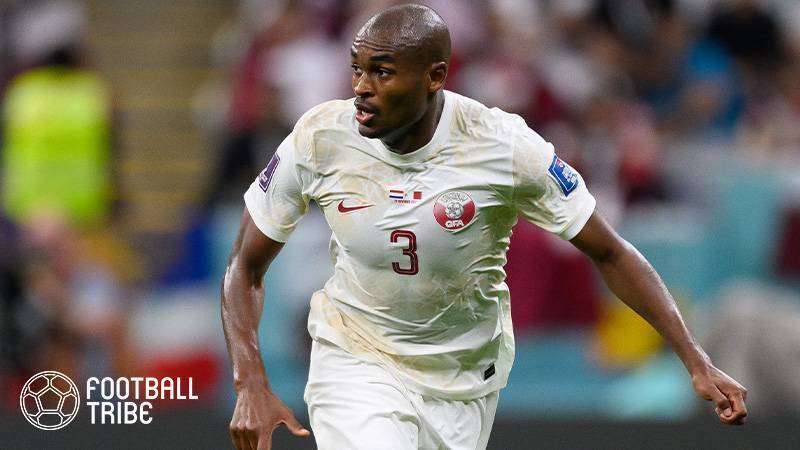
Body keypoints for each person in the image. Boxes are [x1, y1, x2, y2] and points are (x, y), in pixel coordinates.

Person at [221, 4, 748, 450]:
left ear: (434, 76)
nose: (361, 88)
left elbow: (609, 251)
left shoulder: (503, 145)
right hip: (355, 354)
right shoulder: (320, 138)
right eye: (357, 69)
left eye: (382, 72)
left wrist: (695, 359)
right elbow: (244, 266)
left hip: (464, 377)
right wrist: (249, 382)